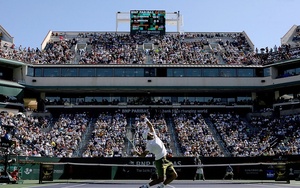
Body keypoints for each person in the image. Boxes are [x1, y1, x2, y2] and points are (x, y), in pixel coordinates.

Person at [135, 115, 178, 188]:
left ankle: (162, 186)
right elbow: (143, 155)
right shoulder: (149, 145)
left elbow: (151, 126)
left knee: (174, 175)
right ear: (148, 136)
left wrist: (145, 119)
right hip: (160, 161)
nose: (150, 132)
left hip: (165, 158)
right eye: (149, 133)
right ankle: (146, 186)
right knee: (161, 179)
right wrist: (136, 153)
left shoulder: (154, 135)